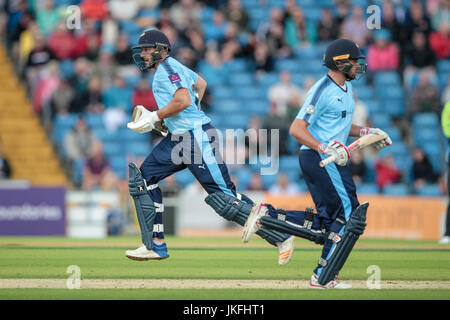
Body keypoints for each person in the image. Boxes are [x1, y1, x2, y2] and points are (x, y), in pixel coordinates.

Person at [124, 29, 295, 264]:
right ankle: (155, 244)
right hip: (180, 137)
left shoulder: (168, 70)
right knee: (143, 179)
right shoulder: (172, 67)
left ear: (161, 50)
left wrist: (157, 117)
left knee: (225, 199)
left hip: (195, 138)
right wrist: (173, 120)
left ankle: (281, 234)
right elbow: (200, 84)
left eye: (146, 49)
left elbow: (183, 100)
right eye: (141, 50)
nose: (142, 54)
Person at [241, 39, 392, 289]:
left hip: (329, 157)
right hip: (321, 157)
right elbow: (296, 129)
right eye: (354, 61)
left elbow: (341, 127)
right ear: (340, 62)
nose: (358, 65)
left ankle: (269, 216)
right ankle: (323, 276)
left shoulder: (346, 89)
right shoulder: (322, 89)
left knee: (328, 222)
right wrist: (324, 147)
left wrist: (368, 131)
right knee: (349, 214)